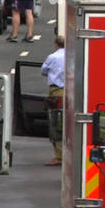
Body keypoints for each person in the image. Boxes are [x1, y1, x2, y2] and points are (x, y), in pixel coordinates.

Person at [40, 36, 65, 166]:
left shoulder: (53, 57)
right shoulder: (72, 56)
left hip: (56, 92)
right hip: (71, 92)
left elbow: (43, 71)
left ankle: (59, 157)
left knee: (56, 124)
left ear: (56, 45)